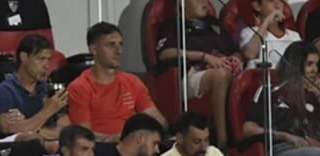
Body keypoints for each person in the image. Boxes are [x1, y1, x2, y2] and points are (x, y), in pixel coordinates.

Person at [155, 0, 242, 146]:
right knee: (220, 75)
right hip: (192, 74)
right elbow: (165, 53)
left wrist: (236, 59)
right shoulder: (173, 25)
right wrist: (204, 56)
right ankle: (223, 142)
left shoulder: (213, 24)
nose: (205, 3)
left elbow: (235, 50)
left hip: (223, 69)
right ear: (182, 4)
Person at [68, 22, 167, 142]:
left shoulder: (132, 81)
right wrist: (120, 139)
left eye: (120, 44)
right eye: (111, 45)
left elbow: (158, 120)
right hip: (101, 149)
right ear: (93, 49)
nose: (118, 51)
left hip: (135, 146)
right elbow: (83, 135)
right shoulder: (79, 87)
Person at [0, 34, 69, 143]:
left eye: (48, 60)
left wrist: (31, 127)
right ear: (24, 57)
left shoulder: (49, 90)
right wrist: (49, 110)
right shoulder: (4, 92)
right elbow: (11, 132)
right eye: (41, 59)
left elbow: (66, 132)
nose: (46, 66)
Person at [240, 0, 301, 68]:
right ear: (257, 6)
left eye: (280, 1)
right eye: (271, 1)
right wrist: (267, 21)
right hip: (260, 77)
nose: (278, 5)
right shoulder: (250, 32)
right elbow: (250, 54)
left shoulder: (295, 36)